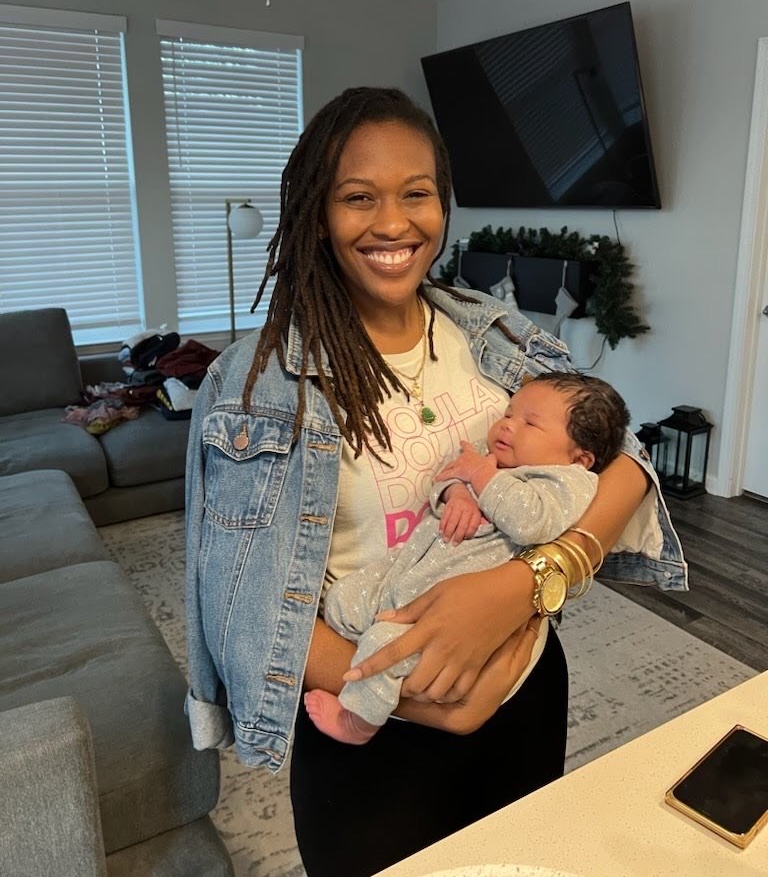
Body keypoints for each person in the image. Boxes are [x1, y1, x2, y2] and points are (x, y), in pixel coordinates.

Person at [184, 86, 688, 877]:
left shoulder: (498, 332)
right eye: (358, 198)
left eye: (417, 194)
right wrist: (423, 694)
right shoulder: (252, 387)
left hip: (524, 685)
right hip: (369, 727)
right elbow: (239, 609)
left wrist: (526, 584)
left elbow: (627, 467)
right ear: (318, 212)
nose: (394, 224)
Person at [305, 372, 629, 745]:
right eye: (509, 412)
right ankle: (366, 646)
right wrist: (456, 492)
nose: (507, 424)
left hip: (447, 605)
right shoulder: (489, 457)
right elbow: (446, 475)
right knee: (344, 598)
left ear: (579, 457)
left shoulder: (564, 481)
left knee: (386, 646)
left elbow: (531, 522)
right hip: (410, 565)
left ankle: (359, 722)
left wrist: (482, 477)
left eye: (530, 423)